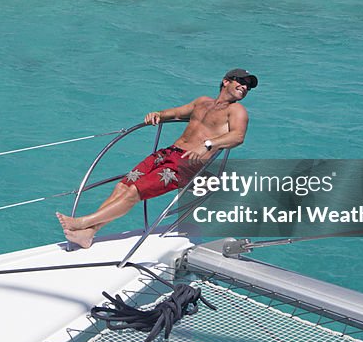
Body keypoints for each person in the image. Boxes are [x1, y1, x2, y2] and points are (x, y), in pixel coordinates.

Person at [57, 68, 257, 248]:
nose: (245, 87)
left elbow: (238, 136)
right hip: (168, 153)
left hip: (187, 163)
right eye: (241, 81)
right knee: (122, 186)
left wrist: (207, 145)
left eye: (248, 86)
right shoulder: (202, 102)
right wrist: (159, 114)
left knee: (133, 192)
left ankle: (82, 223)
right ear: (226, 81)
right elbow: (177, 113)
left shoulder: (236, 110)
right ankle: (89, 233)